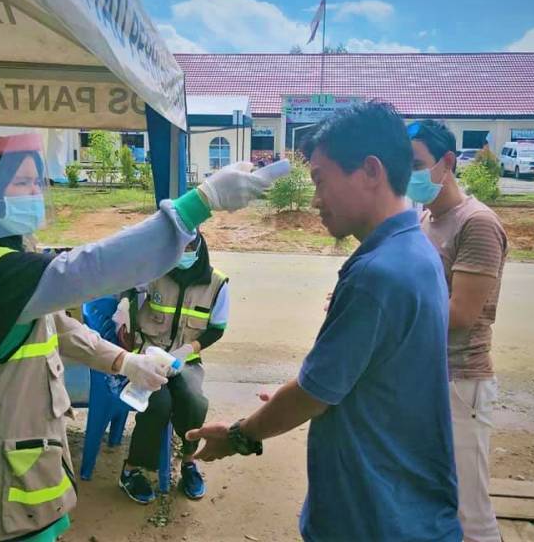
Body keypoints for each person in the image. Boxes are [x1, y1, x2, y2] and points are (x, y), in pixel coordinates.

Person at [0, 133, 284, 542]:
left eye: (38, 183)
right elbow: (94, 268)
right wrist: (201, 202)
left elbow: (52, 323)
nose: (35, 194)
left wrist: (125, 362)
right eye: (22, 184)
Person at [187, 103, 462, 542]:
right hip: (406, 506)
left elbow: (313, 395)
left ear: (370, 171)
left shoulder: (379, 273)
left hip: (371, 518)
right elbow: (360, 377)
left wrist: (239, 434)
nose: (315, 200)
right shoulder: (414, 250)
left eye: (320, 180)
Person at [406, 120, 508, 542]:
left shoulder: (477, 223)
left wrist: (389, 315)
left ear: (447, 162)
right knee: (430, 491)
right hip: (426, 375)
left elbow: (461, 315)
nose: (406, 174)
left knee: (468, 507)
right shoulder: (426, 217)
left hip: (461, 379)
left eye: (415, 163)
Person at [103, 232, 229, 504]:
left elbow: (216, 329)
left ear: (199, 248)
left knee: (194, 401)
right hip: (146, 357)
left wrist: (187, 351)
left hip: (186, 361)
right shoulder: (155, 271)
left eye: (189, 246)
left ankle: (189, 462)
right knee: (158, 404)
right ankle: (132, 469)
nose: (183, 252)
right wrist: (125, 304)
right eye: (178, 247)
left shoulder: (217, 284)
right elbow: (125, 287)